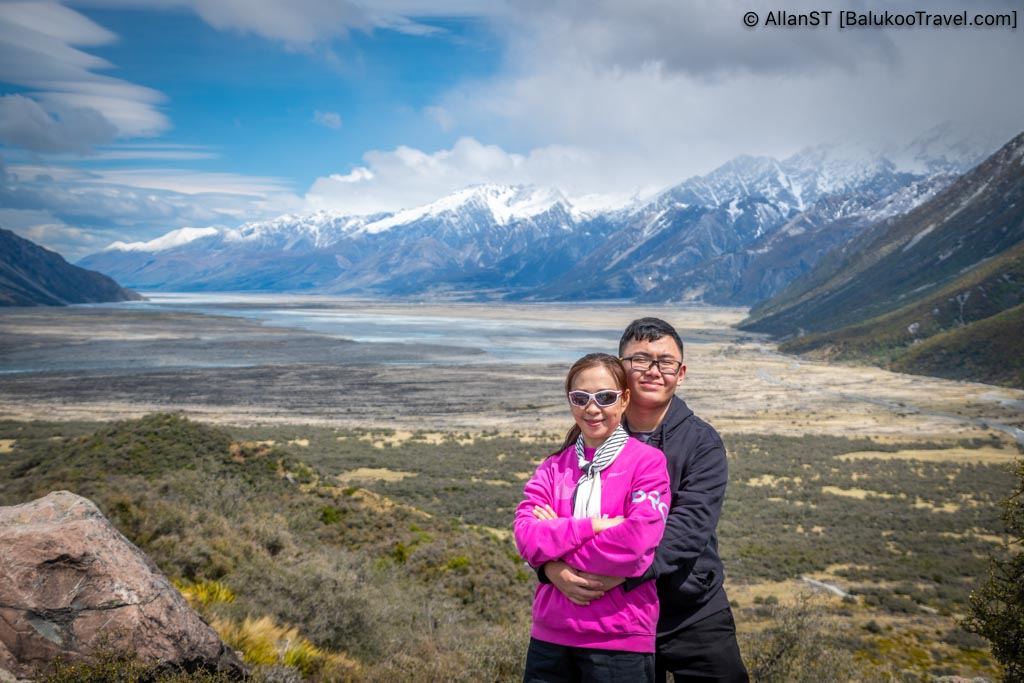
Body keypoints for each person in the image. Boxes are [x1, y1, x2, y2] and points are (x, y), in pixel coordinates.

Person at [542, 318, 749, 683]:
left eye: (665, 362)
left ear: (680, 373)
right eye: (640, 360)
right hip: (612, 622)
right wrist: (547, 570)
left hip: (690, 613)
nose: (654, 371)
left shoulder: (702, 443)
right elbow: (550, 521)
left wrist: (619, 575)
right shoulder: (587, 437)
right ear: (621, 368)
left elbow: (687, 531)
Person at [514, 352, 671, 683]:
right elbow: (526, 537)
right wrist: (595, 526)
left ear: (625, 399)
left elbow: (636, 542)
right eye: (580, 398)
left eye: (605, 397)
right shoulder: (553, 467)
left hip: (620, 638)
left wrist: (555, 555)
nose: (592, 407)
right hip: (550, 637)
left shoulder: (648, 464)